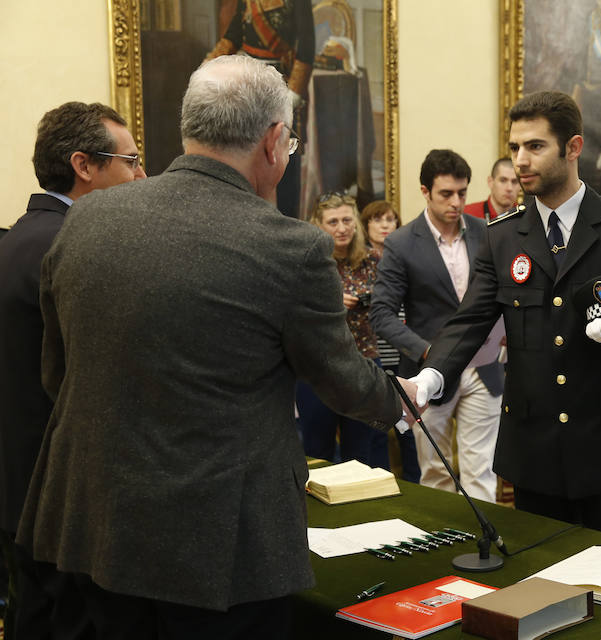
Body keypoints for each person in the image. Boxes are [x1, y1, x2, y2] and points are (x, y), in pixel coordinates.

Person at [15, 55, 415, 637]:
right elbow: (338, 377)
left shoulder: (89, 217)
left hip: (94, 527)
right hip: (219, 550)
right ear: (275, 141)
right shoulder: (291, 247)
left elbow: (58, 373)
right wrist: (396, 401)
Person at [410, 90, 601, 540]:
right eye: (515, 148)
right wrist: (429, 379)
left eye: (535, 146)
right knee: (542, 587)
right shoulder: (503, 236)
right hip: (536, 449)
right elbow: (471, 320)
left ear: (573, 148)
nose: (521, 161)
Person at [0, 101, 145, 636]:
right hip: (60, 494)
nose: (141, 176)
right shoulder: (70, 243)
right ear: (84, 165)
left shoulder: (22, 234)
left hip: (20, 482)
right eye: (129, 161)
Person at [370, 149, 504, 503]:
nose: (457, 202)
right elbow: (381, 314)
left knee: (482, 471)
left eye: (462, 192)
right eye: (446, 193)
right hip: (429, 370)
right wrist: (431, 353)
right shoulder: (400, 243)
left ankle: (485, 546)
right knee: (436, 473)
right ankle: (446, 546)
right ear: (425, 191)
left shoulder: (486, 232)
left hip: (484, 369)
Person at [296, 193, 390, 468]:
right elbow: (292, 309)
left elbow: (391, 299)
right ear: (319, 225)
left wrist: (365, 299)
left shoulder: (373, 259)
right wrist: (331, 302)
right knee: (317, 453)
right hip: (317, 368)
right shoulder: (307, 261)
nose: (341, 228)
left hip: (363, 364)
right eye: (333, 221)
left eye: (347, 220)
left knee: (361, 456)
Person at [206, 0, 315, 218]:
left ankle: (285, 221)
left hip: (281, 83)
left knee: (285, 156)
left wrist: (293, 92)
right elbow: (233, 34)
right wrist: (207, 68)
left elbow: (307, 45)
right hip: (248, 83)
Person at [360, 200, 420, 482]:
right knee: (378, 428)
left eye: (390, 219)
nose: (385, 225)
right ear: (366, 225)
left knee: (409, 429)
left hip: (406, 353)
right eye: (377, 220)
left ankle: (414, 485)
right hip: (375, 354)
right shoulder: (361, 262)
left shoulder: (407, 257)